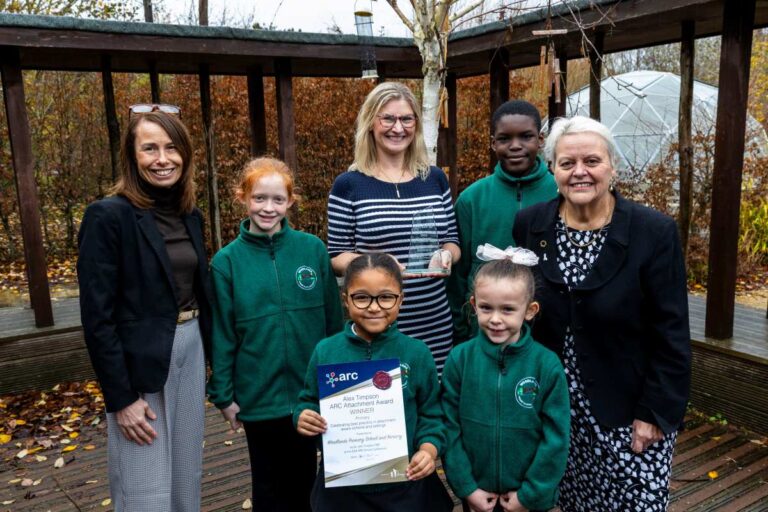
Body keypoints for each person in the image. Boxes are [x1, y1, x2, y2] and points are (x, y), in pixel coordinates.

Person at [512, 115, 691, 512]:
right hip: (558, 410)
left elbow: (672, 333)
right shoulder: (530, 225)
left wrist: (654, 413)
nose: (580, 172)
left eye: (592, 161)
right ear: (552, 169)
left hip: (629, 412)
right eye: (567, 163)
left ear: (612, 166)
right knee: (573, 502)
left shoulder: (653, 232)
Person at [77, 107, 211, 512]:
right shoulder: (108, 216)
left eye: (171, 148)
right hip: (140, 365)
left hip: (190, 348)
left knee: (186, 477)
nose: (162, 158)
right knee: (144, 487)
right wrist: (121, 398)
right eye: (149, 148)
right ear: (132, 157)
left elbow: (200, 293)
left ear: (184, 154)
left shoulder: (190, 215)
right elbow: (97, 318)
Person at [206, 157, 343, 512]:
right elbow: (221, 333)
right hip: (258, 396)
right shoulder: (227, 262)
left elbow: (333, 321)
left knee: (306, 482)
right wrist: (223, 395)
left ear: (290, 201)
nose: (268, 208)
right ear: (243, 197)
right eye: (259, 198)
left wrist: (338, 380)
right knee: (268, 487)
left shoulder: (311, 249)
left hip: (308, 392)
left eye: (277, 199)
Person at [294, 253, 453, 511]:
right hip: (344, 489)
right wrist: (303, 417)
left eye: (386, 297)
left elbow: (431, 413)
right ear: (346, 300)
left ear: (400, 299)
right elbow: (307, 402)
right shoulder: (326, 351)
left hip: (405, 486)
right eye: (362, 297)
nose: (374, 307)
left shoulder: (416, 352)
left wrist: (429, 450)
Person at [327, 81, 460, 371]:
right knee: (383, 403)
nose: (397, 128)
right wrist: (380, 264)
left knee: (430, 405)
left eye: (406, 119)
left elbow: (451, 239)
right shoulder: (349, 185)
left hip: (433, 319)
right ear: (371, 123)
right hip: (377, 321)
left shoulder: (434, 179)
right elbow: (337, 257)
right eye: (388, 118)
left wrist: (448, 255)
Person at [441, 247, 569, 512]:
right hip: (477, 497)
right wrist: (467, 488)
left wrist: (530, 495)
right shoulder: (459, 360)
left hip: (528, 500)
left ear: (530, 310)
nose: (496, 319)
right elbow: (449, 428)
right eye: (486, 308)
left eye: (508, 309)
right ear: (474, 304)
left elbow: (556, 438)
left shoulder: (546, 365)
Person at [447, 100, 557, 344]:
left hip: (548, 330)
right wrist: (462, 330)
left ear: (540, 140)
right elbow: (457, 275)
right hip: (485, 332)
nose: (515, 146)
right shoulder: (472, 199)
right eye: (505, 138)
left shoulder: (560, 193)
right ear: (493, 142)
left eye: (526, 137)